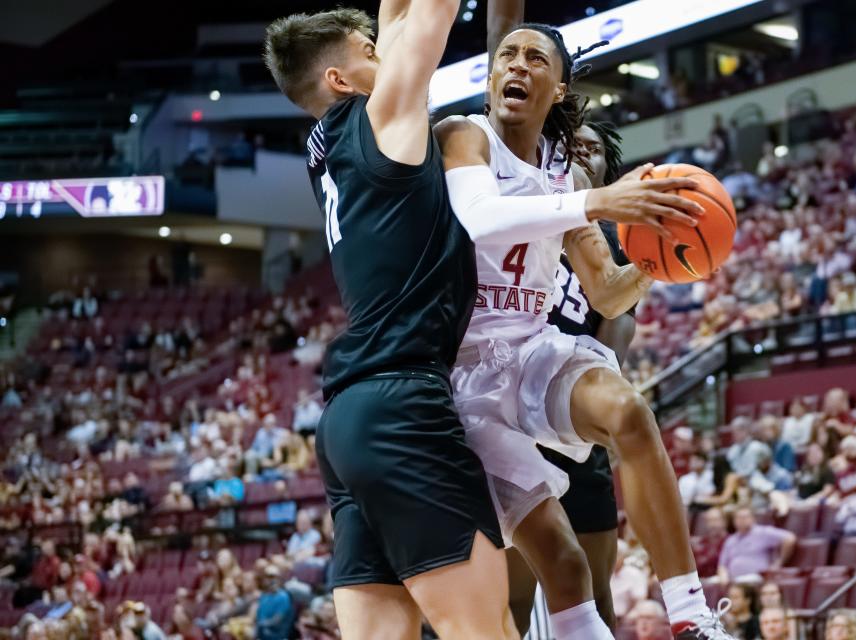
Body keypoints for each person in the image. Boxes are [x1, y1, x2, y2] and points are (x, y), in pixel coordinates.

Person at [437, 14, 735, 639]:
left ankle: (689, 616)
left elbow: (605, 289)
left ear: (561, 91)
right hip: (461, 375)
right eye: (507, 55)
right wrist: (600, 202)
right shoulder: (465, 135)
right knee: (565, 570)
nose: (516, 64)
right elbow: (479, 218)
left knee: (628, 412)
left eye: (534, 59)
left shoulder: (563, 174)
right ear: (491, 76)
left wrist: (658, 259)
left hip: (527, 348)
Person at [264, 3, 514, 637]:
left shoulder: (339, 142)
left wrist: (382, 32)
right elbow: (428, 14)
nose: (384, 48)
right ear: (340, 80)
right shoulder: (385, 115)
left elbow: (398, 17)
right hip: (404, 409)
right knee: (486, 631)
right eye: (367, 49)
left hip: (347, 422)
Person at [507, 119, 636, 634]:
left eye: (595, 149)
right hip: (512, 418)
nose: (583, 153)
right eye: (572, 145)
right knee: (513, 596)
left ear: (608, 167)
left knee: (593, 591)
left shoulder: (617, 241)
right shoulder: (525, 213)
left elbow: (614, 338)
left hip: (570, 418)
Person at [717, 507, 796, 584]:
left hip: (755, 578)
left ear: (753, 519)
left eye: (745, 517)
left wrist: (779, 562)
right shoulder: (730, 540)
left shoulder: (763, 532)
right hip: (732, 580)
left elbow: (789, 538)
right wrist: (723, 578)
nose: (741, 520)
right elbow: (722, 565)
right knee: (710, 583)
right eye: (738, 518)